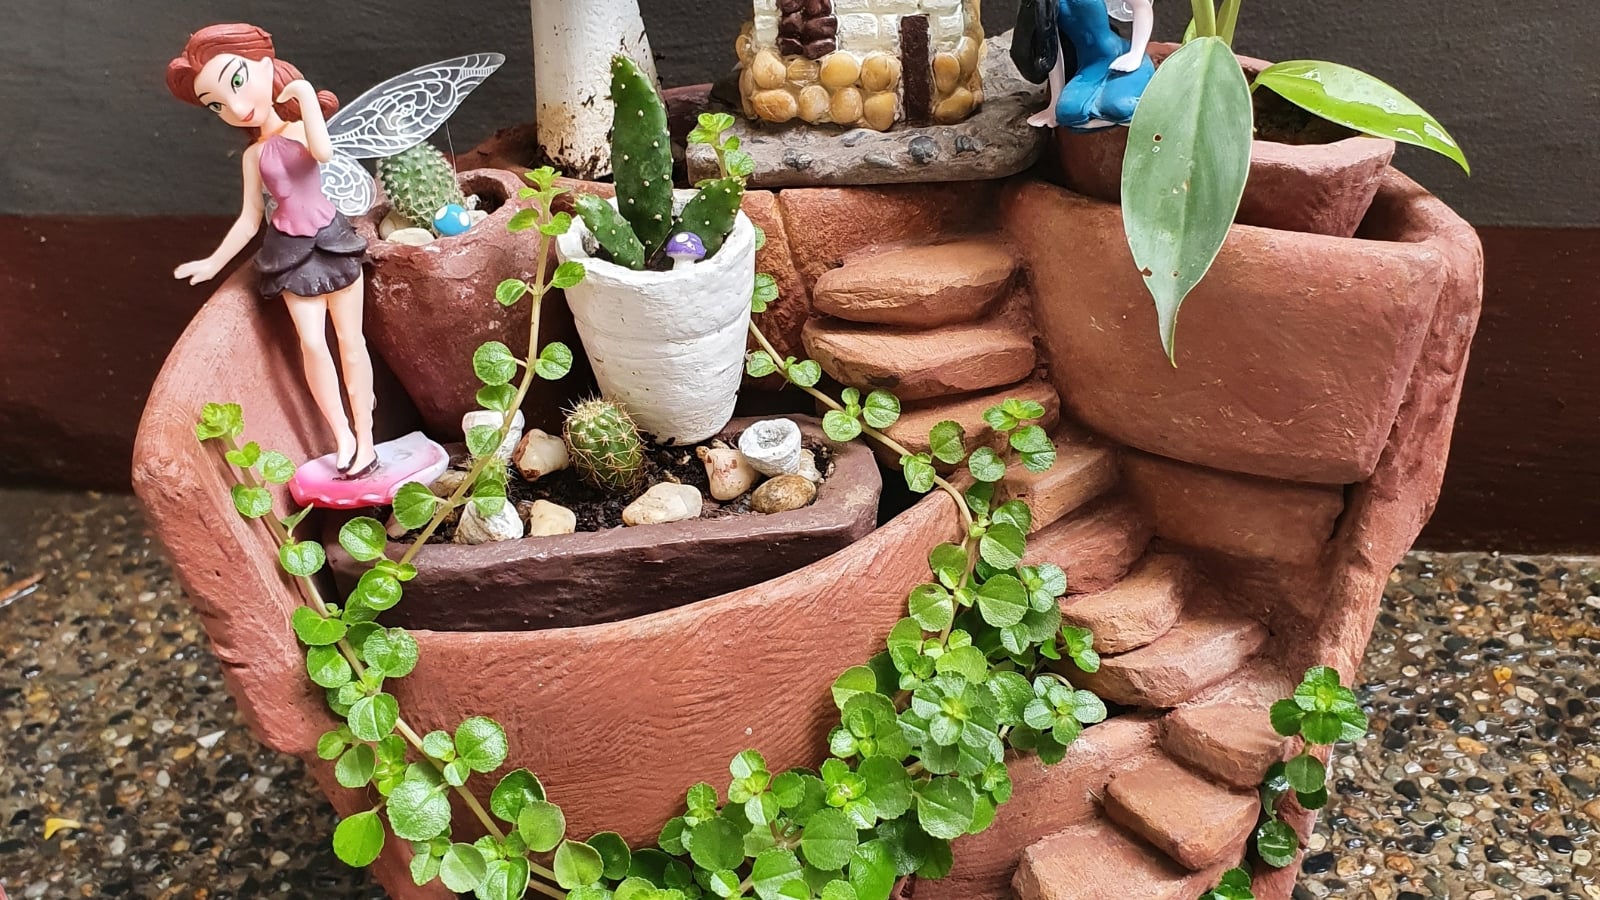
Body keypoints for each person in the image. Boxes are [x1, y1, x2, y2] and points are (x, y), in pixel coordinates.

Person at [167, 24, 378, 478]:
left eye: (236, 83)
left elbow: (322, 151)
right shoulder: (252, 157)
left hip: (333, 238)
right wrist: (213, 261)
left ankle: (367, 438)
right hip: (289, 250)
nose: (235, 108)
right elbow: (249, 220)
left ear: (265, 65)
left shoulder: (303, 127)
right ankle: (341, 436)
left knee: (351, 342)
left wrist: (302, 95)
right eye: (217, 105)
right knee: (312, 345)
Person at [1018, 0, 1156, 131]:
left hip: (1119, 55)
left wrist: (1135, 54)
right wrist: (1054, 102)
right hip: (1090, 67)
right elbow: (1053, 50)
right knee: (1067, 112)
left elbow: (1142, 7)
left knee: (1118, 107)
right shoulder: (1048, 4)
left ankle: (1138, 112)